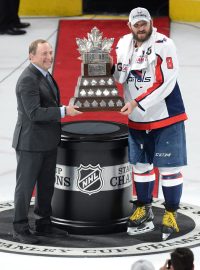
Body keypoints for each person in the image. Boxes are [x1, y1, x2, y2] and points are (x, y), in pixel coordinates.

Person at [111, 7, 187, 240]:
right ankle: (143, 207)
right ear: (130, 26)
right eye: (137, 24)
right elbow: (120, 77)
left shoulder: (165, 44)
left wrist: (135, 103)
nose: (141, 28)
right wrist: (102, 66)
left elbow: (165, 82)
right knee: (141, 166)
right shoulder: (124, 43)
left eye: (144, 23)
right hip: (137, 118)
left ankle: (171, 214)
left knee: (169, 169)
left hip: (165, 116)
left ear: (151, 23)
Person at [12, 39, 82, 244]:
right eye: (43, 53)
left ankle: (43, 224)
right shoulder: (28, 79)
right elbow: (34, 112)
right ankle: (20, 227)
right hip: (30, 144)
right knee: (25, 188)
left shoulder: (44, 74)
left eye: (50, 52)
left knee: (46, 186)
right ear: (31, 55)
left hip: (48, 142)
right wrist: (63, 111)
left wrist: (62, 106)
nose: (49, 57)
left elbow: (47, 103)